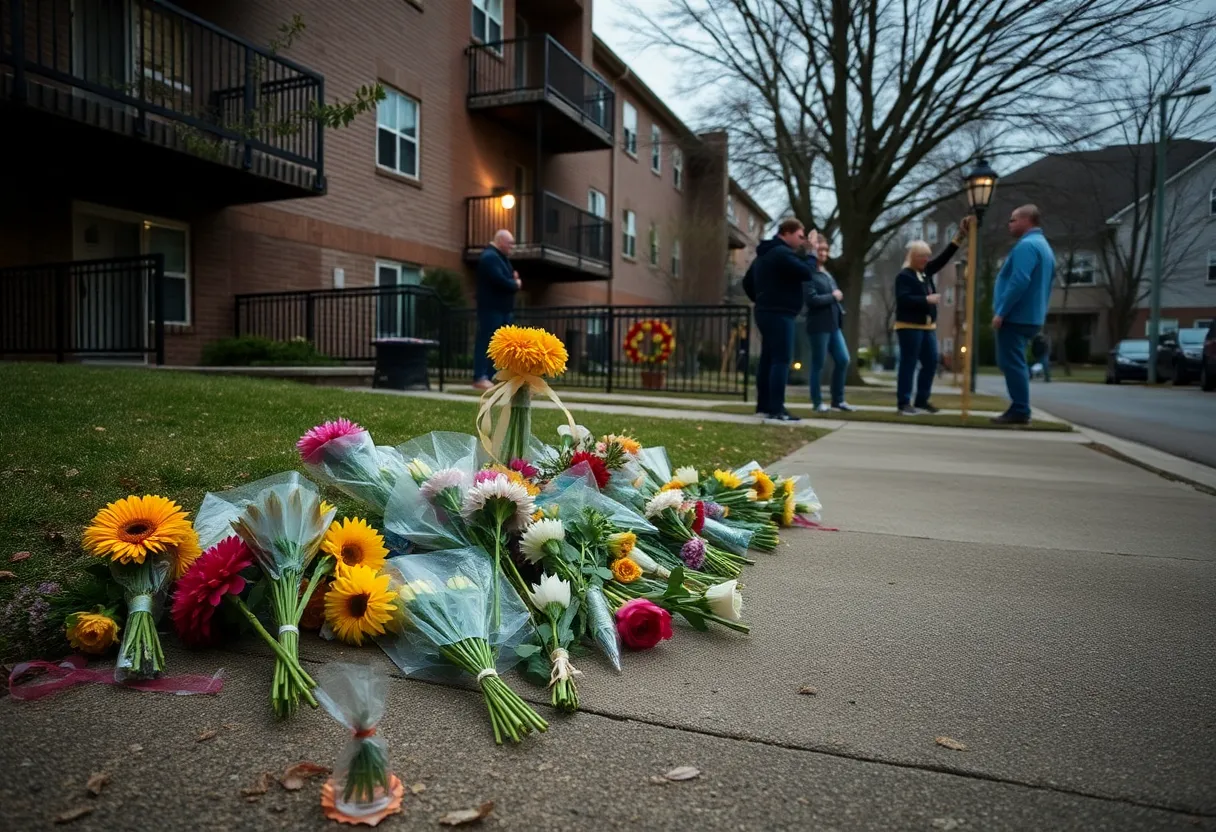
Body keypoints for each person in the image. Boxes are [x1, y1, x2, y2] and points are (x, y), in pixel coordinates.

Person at [893, 218, 971, 415]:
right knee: (908, 363)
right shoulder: (904, 276)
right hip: (909, 326)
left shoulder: (925, 272)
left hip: (928, 327)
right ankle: (903, 402)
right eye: (922, 257)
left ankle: (922, 400)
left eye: (927, 257)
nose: (926, 260)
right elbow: (903, 299)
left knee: (930, 363)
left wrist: (959, 237)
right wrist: (926, 299)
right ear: (913, 257)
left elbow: (943, 258)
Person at [746, 218, 819, 421]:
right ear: (786, 233)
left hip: (766, 311)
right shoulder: (781, 253)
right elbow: (807, 272)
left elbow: (747, 281)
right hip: (779, 313)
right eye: (800, 236)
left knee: (769, 359)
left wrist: (760, 298)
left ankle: (764, 406)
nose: (802, 239)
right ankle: (776, 409)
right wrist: (812, 252)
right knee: (781, 359)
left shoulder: (764, 255)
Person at [992, 205, 1056, 424]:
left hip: (1016, 315)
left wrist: (1002, 311)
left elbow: (1019, 281)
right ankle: (1019, 405)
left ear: (1027, 220)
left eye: (1013, 219)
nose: (1009, 223)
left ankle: (1020, 409)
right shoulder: (1044, 246)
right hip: (1032, 315)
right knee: (1011, 361)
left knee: (1011, 362)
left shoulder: (1027, 246)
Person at [804, 238, 855, 412]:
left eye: (826, 250)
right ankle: (817, 403)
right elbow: (811, 300)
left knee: (843, 359)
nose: (824, 254)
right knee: (818, 364)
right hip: (818, 324)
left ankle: (838, 400)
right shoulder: (808, 272)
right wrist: (833, 297)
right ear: (813, 252)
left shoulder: (827, 273)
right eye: (820, 250)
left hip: (834, 324)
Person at [472, 229, 521, 390]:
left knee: (498, 345)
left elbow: (508, 275)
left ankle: (491, 375)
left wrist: (512, 279)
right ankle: (480, 376)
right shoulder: (490, 257)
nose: (512, 247)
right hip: (491, 309)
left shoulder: (501, 258)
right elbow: (499, 280)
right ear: (500, 241)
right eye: (510, 243)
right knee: (487, 342)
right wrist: (515, 284)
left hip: (502, 309)